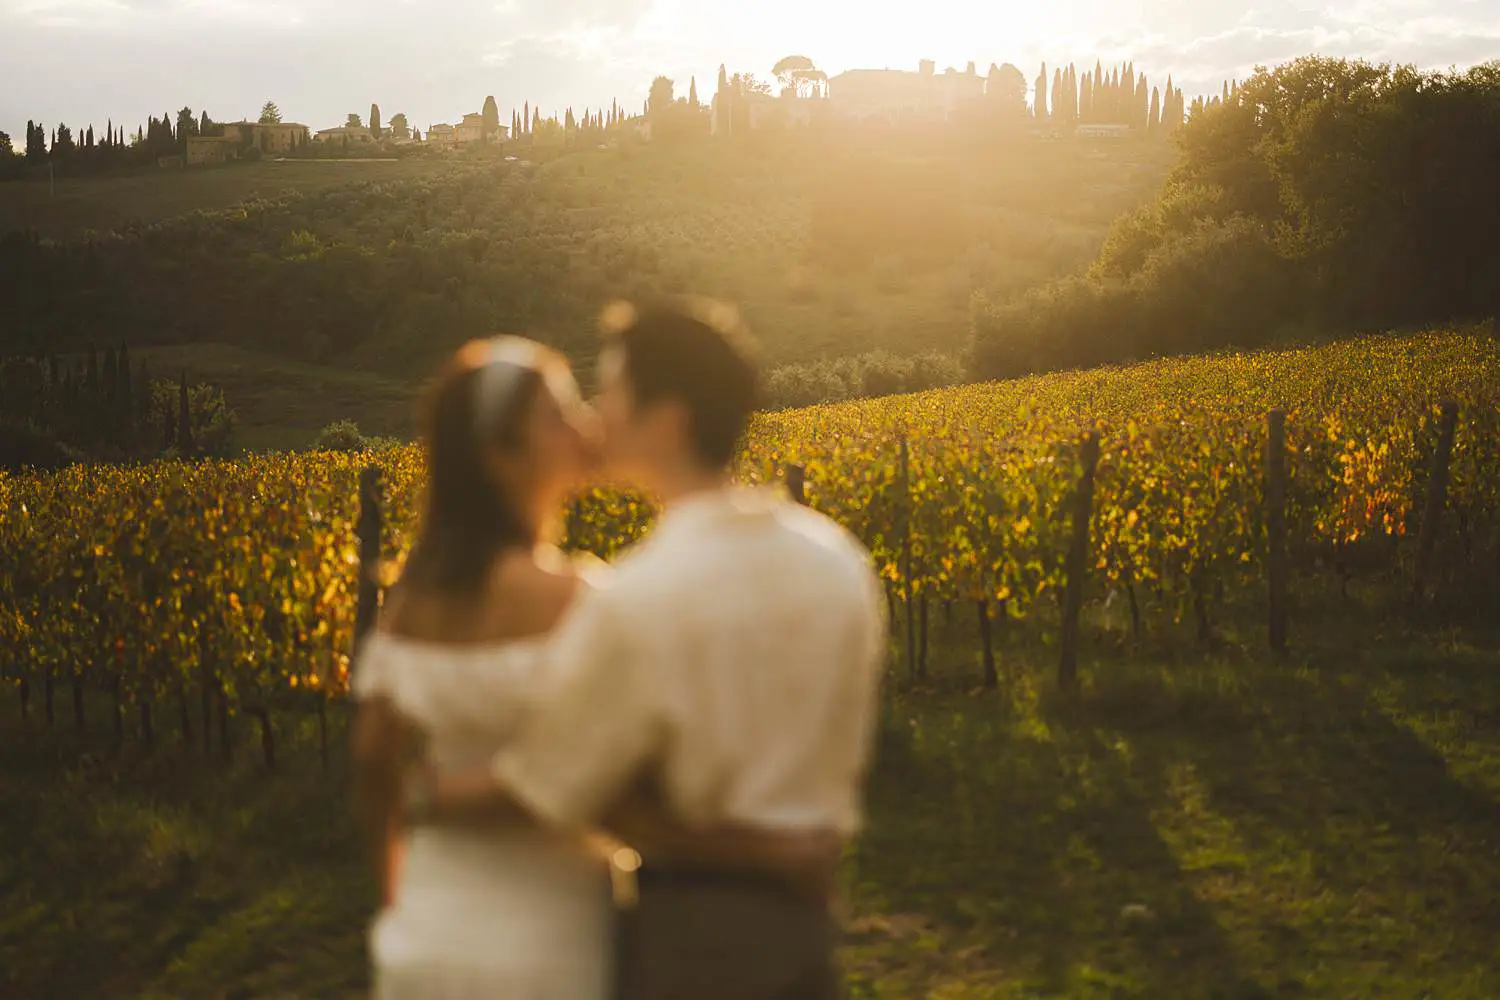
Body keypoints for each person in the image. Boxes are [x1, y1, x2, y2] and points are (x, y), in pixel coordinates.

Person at [408, 298, 888, 999]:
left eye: (615, 393)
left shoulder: (636, 597)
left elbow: (550, 786)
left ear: (669, 420)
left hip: (689, 939)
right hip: (808, 930)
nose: (599, 414)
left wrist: (424, 792)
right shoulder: (837, 558)